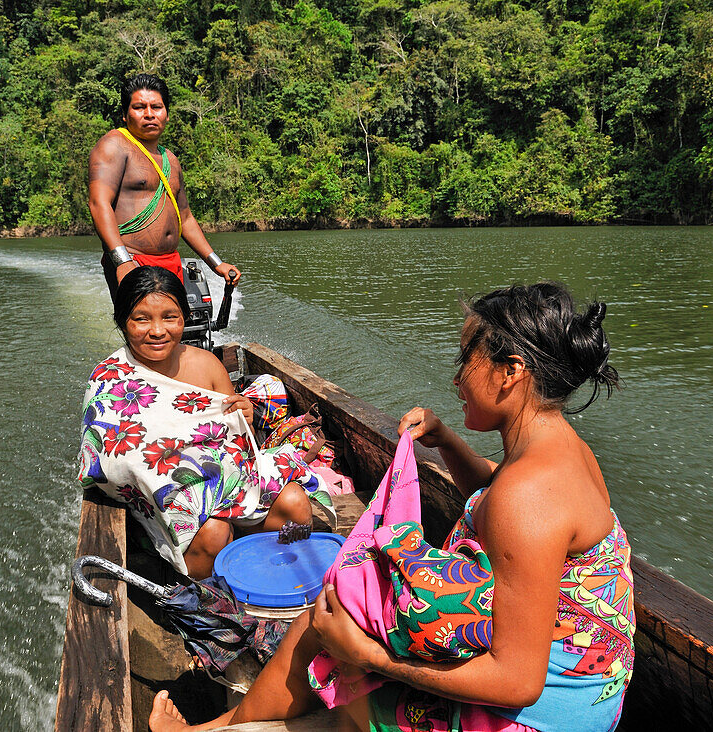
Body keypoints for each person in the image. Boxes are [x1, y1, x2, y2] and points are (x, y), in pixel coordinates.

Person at [148, 282, 634, 732]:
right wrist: (446, 442)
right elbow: (493, 493)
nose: (457, 375)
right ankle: (224, 726)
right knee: (331, 619)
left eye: (468, 355)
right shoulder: (560, 451)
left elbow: (517, 681)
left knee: (337, 660)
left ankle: (215, 730)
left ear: (511, 372)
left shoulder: (528, 498)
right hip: (582, 677)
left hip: (539, 713)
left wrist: (372, 657)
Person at [76, 266, 333, 579]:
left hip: (230, 485)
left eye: (170, 317)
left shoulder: (207, 365)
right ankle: (204, 592)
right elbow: (114, 463)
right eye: (142, 319)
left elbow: (240, 444)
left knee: (296, 505)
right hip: (163, 506)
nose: (157, 330)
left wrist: (246, 417)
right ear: (122, 322)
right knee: (213, 530)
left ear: (185, 317)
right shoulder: (110, 378)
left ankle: (273, 574)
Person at [87, 74, 241, 301]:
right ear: (124, 114)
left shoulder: (171, 160)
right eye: (139, 107)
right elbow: (99, 203)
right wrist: (122, 262)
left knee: (178, 329)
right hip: (133, 261)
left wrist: (216, 263)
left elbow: (185, 218)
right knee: (150, 332)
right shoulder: (114, 145)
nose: (149, 114)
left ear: (166, 114)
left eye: (156, 107)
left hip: (171, 263)